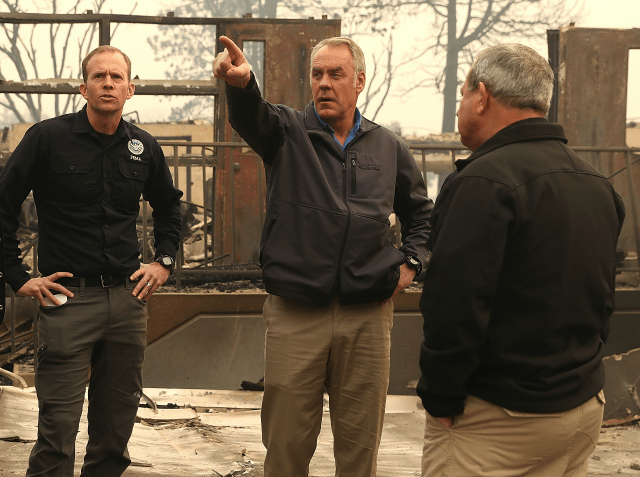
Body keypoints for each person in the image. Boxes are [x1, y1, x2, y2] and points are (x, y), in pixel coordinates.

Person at [213, 35, 432, 476]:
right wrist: (241, 84)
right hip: (297, 312)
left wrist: (412, 263)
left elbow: (421, 212)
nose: (325, 83)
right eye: (317, 74)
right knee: (286, 447)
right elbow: (252, 117)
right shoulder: (287, 131)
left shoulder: (387, 147)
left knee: (359, 450)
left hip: (367, 316)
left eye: (336, 74)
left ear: (360, 81)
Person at [417, 43, 626, 477]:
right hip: (581, 407)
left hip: (500, 422)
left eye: (461, 94)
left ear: (482, 95)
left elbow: (453, 307)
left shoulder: (482, 182)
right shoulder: (596, 184)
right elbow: (601, 298)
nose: (459, 109)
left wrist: (439, 398)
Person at [0, 45, 182, 477]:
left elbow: (170, 208)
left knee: (115, 430)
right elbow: (3, 203)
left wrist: (165, 262)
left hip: (127, 300)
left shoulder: (143, 147)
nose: (108, 83)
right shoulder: (47, 138)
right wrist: (18, 277)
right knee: (56, 432)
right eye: (99, 76)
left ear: (130, 89)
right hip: (67, 300)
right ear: (83, 88)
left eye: (116, 77)